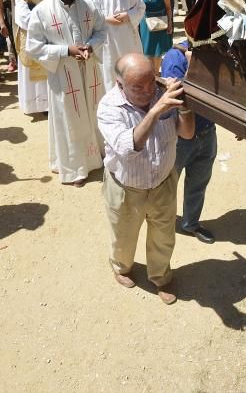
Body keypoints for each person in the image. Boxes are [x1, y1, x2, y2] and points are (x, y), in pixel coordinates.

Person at [96, 53, 195, 304]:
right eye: (137, 87)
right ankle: (121, 267)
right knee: (124, 235)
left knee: (163, 236)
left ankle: (161, 277)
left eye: (151, 82)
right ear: (120, 85)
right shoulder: (109, 107)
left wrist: (184, 106)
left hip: (163, 182)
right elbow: (130, 147)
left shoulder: (163, 92)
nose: (148, 90)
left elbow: (187, 133)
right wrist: (157, 110)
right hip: (126, 187)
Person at [26, 0, 107, 185]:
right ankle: (74, 168)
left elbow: (101, 31)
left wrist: (90, 46)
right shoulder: (42, 11)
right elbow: (33, 47)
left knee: (94, 110)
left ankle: (97, 156)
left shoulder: (89, 5)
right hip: (64, 74)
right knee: (69, 118)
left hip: (89, 70)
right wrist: (66, 50)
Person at [161, 40, 217, 244]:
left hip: (208, 131)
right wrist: (196, 70)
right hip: (180, 139)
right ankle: (161, 224)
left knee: (198, 182)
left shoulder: (219, 53)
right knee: (166, 186)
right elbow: (176, 98)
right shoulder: (175, 57)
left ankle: (190, 223)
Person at [91, 0, 145, 91]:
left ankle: (131, 90)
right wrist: (108, 19)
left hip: (126, 35)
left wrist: (127, 15)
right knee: (110, 65)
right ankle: (111, 92)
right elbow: (93, 13)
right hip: (108, 36)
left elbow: (141, 8)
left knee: (128, 64)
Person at [12, 0, 52, 115]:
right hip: (30, 38)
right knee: (32, 73)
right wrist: (44, 18)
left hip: (49, 38)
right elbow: (24, 20)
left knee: (49, 70)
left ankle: (49, 105)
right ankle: (35, 105)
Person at [138, 0, 173, 73]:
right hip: (145, 24)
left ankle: (156, 76)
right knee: (147, 52)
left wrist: (170, 24)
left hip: (160, 23)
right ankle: (150, 76)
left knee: (158, 53)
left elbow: (168, 7)